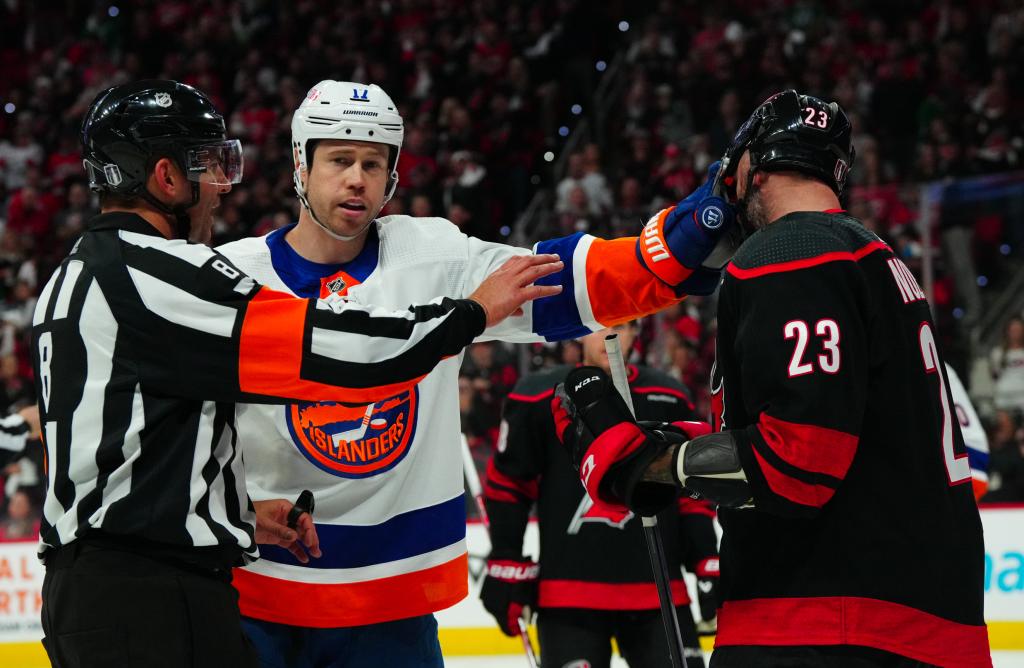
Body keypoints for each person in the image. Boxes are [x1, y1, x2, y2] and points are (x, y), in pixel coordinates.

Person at [31, 79, 562, 668]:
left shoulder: (72, 277)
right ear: (166, 177)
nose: (219, 187)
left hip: (91, 591)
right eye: (208, 166)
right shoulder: (164, 276)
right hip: (151, 598)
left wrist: (234, 516)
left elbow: (131, 449)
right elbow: (336, 353)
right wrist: (472, 312)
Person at [214, 79, 737, 667]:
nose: (356, 178)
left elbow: (562, 280)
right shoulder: (230, 276)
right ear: (300, 167)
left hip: (390, 603)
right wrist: (226, 514)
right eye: (338, 159)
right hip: (255, 594)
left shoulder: (433, 255)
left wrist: (695, 229)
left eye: (372, 162)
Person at [553, 91, 991, 667]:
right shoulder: (874, 254)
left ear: (752, 167)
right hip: (917, 621)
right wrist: (675, 440)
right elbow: (834, 424)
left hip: (825, 623)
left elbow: (799, 462)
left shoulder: (791, 252)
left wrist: (653, 465)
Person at [481, 321, 718, 668]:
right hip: (567, 597)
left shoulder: (670, 395)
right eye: (600, 325)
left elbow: (688, 490)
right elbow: (509, 485)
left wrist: (705, 560)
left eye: (623, 327)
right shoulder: (537, 395)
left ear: (637, 334)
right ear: (578, 329)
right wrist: (505, 558)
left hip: (659, 593)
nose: (610, 336)